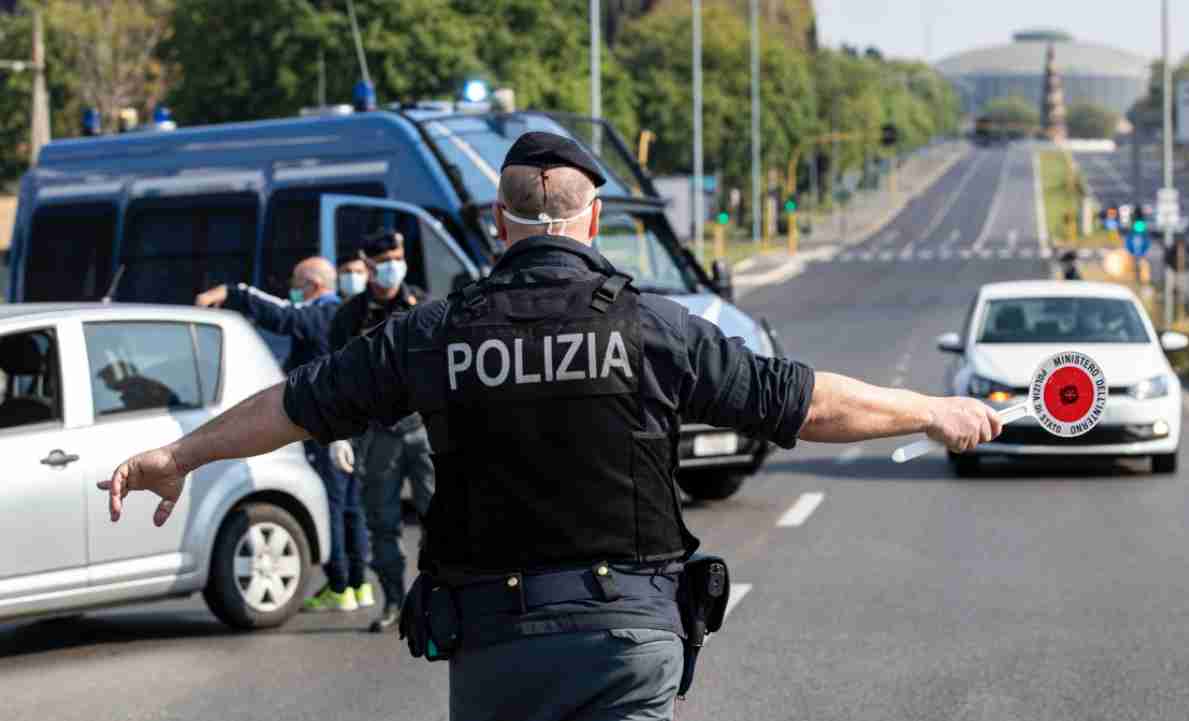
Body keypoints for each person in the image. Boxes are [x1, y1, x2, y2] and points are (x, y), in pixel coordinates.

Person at [100, 132, 1003, 721]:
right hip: (629, 643)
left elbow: (296, 402)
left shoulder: (436, 332)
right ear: (594, 220)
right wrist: (932, 408)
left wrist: (180, 452)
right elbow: (800, 401)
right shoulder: (648, 326)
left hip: (498, 649)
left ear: (499, 224)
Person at [195, 258, 373, 613]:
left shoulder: (325, 312)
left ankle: (340, 584)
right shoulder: (348, 314)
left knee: (335, 506)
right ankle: (359, 584)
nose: (292, 290)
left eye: (296, 283)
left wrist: (234, 293)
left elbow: (284, 316)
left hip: (332, 428)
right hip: (356, 425)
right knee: (353, 508)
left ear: (312, 286)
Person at [327, 229, 435, 633]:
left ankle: (439, 596)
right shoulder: (349, 317)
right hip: (377, 436)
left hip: (425, 431)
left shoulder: (422, 305)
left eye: (397, 258)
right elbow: (333, 380)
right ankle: (393, 599)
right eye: (384, 261)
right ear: (369, 266)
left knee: (439, 517)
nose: (392, 268)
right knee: (382, 523)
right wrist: (337, 433)